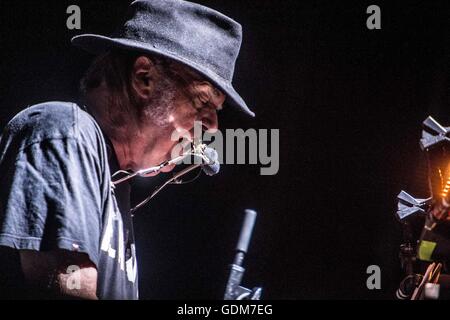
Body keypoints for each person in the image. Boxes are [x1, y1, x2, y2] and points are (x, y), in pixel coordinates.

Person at [0, 0, 254, 300]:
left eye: (216, 111)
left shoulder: (116, 190)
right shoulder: (66, 133)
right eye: (203, 102)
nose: (212, 128)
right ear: (144, 78)